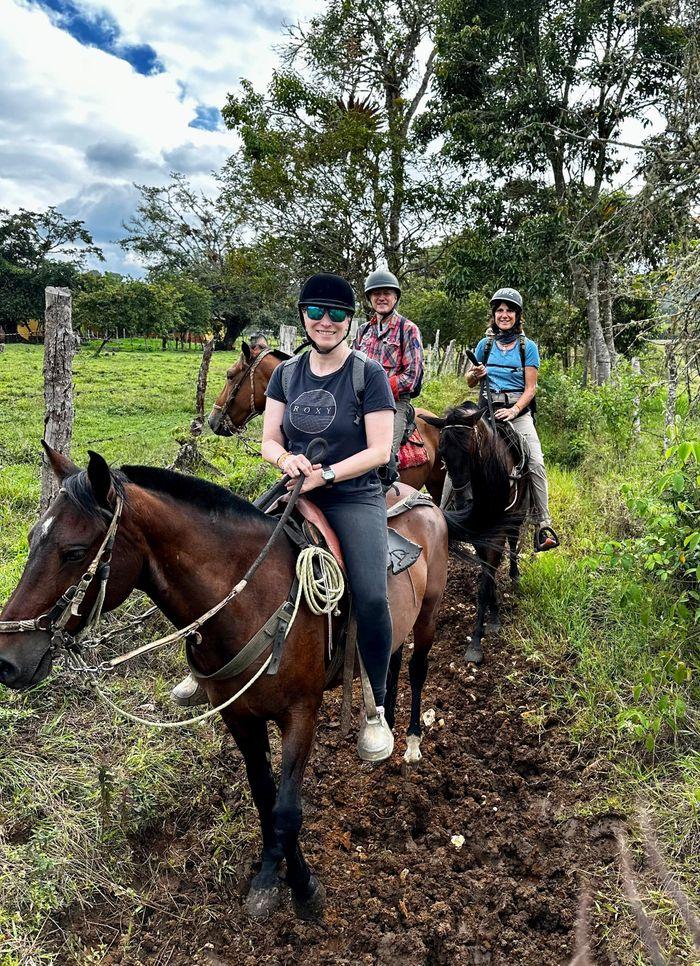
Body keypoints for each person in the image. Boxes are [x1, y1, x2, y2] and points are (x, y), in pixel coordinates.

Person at [263, 272, 397, 762]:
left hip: (352, 494)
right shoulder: (285, 374)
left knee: (370, 592)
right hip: (296, 487)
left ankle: (378, 707)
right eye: (316, 312)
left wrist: (329, 475)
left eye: (336, 314)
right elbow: (269, 441)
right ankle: (210, 666)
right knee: (233, 550)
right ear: (303, 317)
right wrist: (287, 462)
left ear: (349, 320)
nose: (325, 321)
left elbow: (381, 451)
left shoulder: (368, 375)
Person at [467, 287, 559, 552]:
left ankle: (543, 525)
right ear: (493, 314)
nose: (503, 315)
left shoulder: (526, 347)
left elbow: (531, 388)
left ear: (517, 315)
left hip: (516, 412)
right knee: (458, 454)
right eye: (499, 310)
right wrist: (476, 373)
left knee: (535, 461)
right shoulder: (484, 346)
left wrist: (514, 411)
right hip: (486, 410)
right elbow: (470, 381)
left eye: (509, 310)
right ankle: (448, 512)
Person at [353, 270, 423, 467]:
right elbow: (351, 366)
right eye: (376, 293)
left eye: (386, 293)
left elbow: (412, 377)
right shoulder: (362, 331)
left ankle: (382, 488)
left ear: (395, 297)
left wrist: (376, 390)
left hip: (394, 403)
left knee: (382, 458)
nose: (381, 298)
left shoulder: (408, 329)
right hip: (360, 400)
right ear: (369, 298)